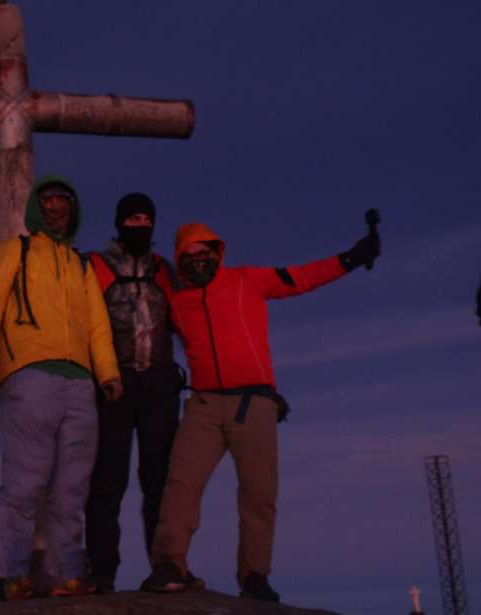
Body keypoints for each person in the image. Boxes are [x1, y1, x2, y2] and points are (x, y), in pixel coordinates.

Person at [141, 221, 381, 602]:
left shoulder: (246, 280)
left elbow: (300, 278)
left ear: (217, 252)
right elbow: (143, 273)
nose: (199, 260)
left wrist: (350, 259)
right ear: (180, 260)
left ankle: (254, 575)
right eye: (190, 255)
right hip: (202, 405)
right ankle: (170, 564)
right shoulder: (176, 296)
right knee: (181, 485)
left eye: (205, 253)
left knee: (258, 494)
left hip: (253, 404)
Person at [0, 175, 122, 600]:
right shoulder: (14, 252)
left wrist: (108, 374)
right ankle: (13, 574)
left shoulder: (81, 265)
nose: (57, 208)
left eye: (64, 202)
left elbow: (97, 326)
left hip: (80, 383)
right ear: (37, 208)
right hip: (29, 375)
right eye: (49, 201)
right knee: (24, 482)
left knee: (71, 488)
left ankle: (65, 574)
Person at [83, 193, 188, 593]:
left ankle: (165, 565)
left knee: (159, 478)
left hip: (160, 382)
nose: (141, 225)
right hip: (113, 382)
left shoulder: (165, 270)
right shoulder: (96, 266)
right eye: (133, 218)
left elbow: (185, 318)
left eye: (147, 218)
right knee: (107, 478)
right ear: (120, 222)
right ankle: (102, 569)